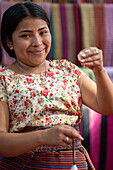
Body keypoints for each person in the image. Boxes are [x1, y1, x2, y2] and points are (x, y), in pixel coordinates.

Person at [0, 2, 113, 170]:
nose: (37, 42)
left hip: (74, 164)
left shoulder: (68, 70)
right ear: (9, 42)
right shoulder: (4, 80)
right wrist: (43, 137)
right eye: (26, 35)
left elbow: (107, 107)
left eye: (43, 32)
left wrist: (99, 71)